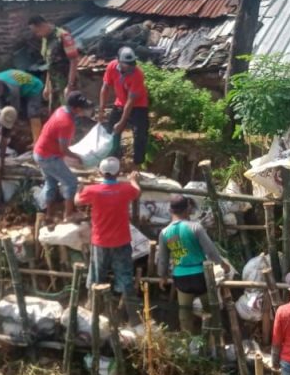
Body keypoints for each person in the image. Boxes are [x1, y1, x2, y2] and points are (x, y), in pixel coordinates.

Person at [76, 157, 142, 322]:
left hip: (100, 242)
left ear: (100, 172)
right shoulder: (125, 189)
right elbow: (137, 191)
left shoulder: (94, 190)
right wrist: (133, 180)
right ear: (118, 173)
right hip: (121, 241)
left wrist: (80, 188)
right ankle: (134, 319)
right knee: (126, 279)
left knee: (96, 277)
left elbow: (77, 201)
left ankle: (92, 312)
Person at [156, 194, 226, 334]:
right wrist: (223, 264)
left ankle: (188, 342)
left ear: (170, 210)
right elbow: (211, 252)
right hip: (201, 276)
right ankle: (213, 340)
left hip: (181, 278)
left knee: (185, 312)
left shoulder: (164, 233)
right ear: (188, 209)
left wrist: (162, 276)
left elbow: (162, 259)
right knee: (210, 309)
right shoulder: (195, 227)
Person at [32, 91, 92, 222]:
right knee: (71, 182)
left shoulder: (61, 110)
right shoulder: (66, 123)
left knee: (51, 182)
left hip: (40, 153)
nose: (84, 111)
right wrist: (78, 157)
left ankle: (48, 215)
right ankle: (68, 215)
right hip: (49, 156)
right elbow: (63, 150)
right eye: (83, 108)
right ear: (77, 109)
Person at [99, 46, 150, 167]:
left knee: (139, 134)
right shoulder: (111, 67)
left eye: (132, 64)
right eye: (127, 64)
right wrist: (101, 110)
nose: (131, 66)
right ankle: (113, 161)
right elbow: (105, 88)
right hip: (120, 103)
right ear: (119, 61)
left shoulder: (137, 74)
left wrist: (122, 122)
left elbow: (131, 101)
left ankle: (137, 165)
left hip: (138, 106)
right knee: (111, 130)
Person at [27, 15, 79, 105]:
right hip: (54, 85)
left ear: (42, 25)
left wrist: (70, 86)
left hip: (66, 82)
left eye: (36, 31)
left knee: (69, 113)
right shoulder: (45, 40)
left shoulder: (63, 36)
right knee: (56, 114)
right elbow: (50, 64)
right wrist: (47, 86)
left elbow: (74, 60)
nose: (36, 35)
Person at [0, 69, 45, 144]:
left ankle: (38, 142)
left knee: (32, 114)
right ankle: (30, 137)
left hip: (34, 87)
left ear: (0, 86)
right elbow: (1, 104)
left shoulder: (12, 87)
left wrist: (10, 123)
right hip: (23, 89)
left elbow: (14, 110)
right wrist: (1, 119)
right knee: (24, 115)